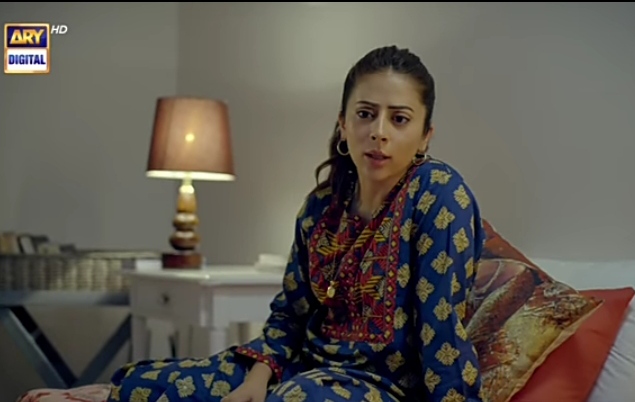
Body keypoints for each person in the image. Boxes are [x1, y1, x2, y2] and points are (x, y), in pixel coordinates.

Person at [108, 45, 486, 402]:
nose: (379, 131)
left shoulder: (439, 195)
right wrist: (256, 382)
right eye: (365, 114)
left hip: (381, 388)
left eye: (399, 119)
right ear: (343, 124)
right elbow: (290, 315)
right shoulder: (321, 206)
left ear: (425, 137)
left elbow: (442, 330)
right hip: (299, 367)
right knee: (139, 385)